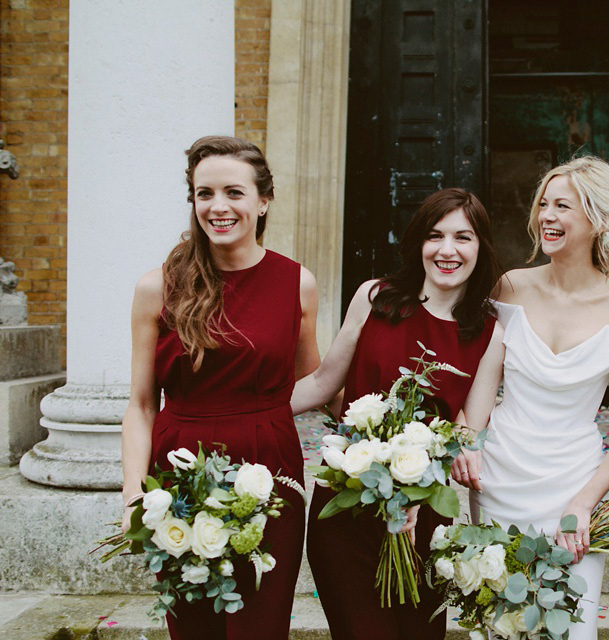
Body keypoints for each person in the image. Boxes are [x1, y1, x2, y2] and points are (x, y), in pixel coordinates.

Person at [120, 136, 321, 639]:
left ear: (263, 200)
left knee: (260, 623)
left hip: (270, 472)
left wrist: (387, 437)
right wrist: (132, 498)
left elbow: (314, 383)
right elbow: (141, 406)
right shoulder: (157, 286)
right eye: (203, 193)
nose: (217, 206)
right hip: (180, 474)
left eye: (234, 192)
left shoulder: (297, 283)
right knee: (194, 623)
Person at [291, 188, 505, 639]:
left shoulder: (488, 332)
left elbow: (468, 431)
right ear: (418, 244)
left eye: (463, 238)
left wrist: (419, 486)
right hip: (346, 505)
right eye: (435, 236)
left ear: (480, 247)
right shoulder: (375, 298)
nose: (447, 250)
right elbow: (324, 384)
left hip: (422, 520)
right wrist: (231, 411)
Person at [465, 156, 609, 640]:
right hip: (500, 477)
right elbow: (485, 378)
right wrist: (468, 440)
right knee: (499, 625)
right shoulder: (511, 285)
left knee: (572, 626)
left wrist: (586, 502)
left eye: (563, 206)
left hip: (572, 483)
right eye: (543, 204)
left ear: (598, 221)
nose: (546, 216)